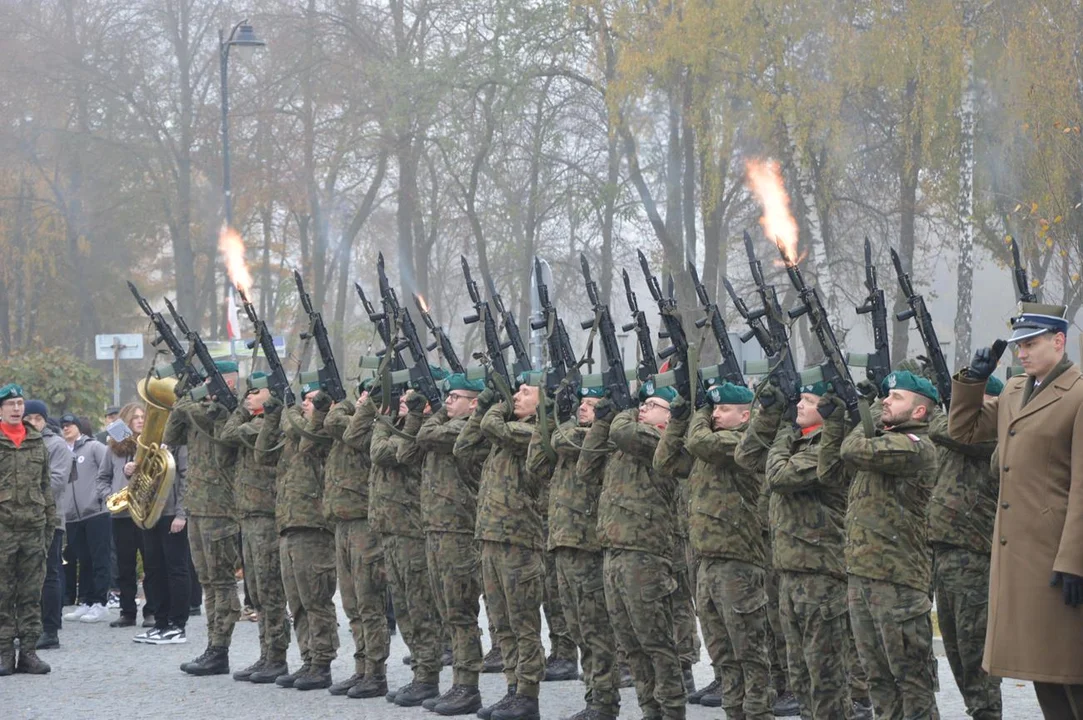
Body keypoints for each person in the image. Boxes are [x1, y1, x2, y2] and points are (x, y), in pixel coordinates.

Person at [949, 303, 1083, 718]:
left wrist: (1075, 560)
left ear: (1059, 342)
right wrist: (974, 380)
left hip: (1058, 554)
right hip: (1020, 556)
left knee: (1071, 671)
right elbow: (964, 430)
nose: (1020, 353)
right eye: (1017, 345)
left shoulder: (1077, 393)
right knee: (1042, 669)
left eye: (1030, 343)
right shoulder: (1013, 391)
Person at [736, 380, 858, 719]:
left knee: (826, 677)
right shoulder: (797, 440)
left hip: (821, 574)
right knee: (800, 673)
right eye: (799, 400)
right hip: (790, 570)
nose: (800, 406)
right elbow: (745, 455)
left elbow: (778, 475)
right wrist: (770, 415)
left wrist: (784, 430)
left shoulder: (829, 445)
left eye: (808, 400)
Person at [662, 382, 772, 720]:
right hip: (707, 561)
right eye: (714, 408)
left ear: (746, 415)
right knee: (723, 655)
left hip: (738, 563)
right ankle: (735, 712)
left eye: (722, 409)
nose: (715, 414)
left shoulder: (741, 442)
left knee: (749, 654)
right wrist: (679, 419)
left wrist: (698, 412)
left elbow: (699, 442)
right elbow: (665, 459)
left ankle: (757, 713)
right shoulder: (708, 446)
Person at [584, 384, 689, 720]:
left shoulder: (662, 442)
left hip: (645, 556)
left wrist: (624, 409)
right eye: (641, 404)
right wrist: (601, 422)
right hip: (614, 553)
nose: (643, 409)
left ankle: (672, 711)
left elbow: (624, 430)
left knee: (655, 643)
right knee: (630, 645)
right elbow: (585, 468)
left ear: (670, 416)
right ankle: (650, 711)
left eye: (652, 405)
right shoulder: (624, 444)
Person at [840, 370, 940, 720]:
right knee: (878, 679)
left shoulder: (914, 446)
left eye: (896, 397)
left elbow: (853, 448)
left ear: (919, 412)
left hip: (898, 583)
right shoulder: (886, 438)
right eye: (886, 395)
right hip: (864, 577)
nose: (886, 399)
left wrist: (862, 408)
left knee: (912, 683)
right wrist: (865, 411)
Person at [527, 386, 620, 720]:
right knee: (579, 629)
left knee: (597, 630)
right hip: (564, 542)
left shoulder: (602, 439)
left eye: (591, 405)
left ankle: (604, 701)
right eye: (580, 403)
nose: (582, 408)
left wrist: (562, 421)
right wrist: (545, 418)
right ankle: (594, 696)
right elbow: (536, 463)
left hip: (589, 546)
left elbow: (570, 443)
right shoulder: (571, 437)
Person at [927, 375, 1004, 720]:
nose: (971, 411)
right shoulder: (959, 432)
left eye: (981, 402)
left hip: (975, 553)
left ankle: (987, 712)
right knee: (956, 649)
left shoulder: (993, 434)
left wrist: (951, 407)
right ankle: (978, 708)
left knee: (975, 650)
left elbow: (948, 429)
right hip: (944, 550)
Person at [256, 379, 337, 691]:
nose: (307, 403)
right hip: (289, 524)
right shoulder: (295, 432)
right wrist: (273, 417)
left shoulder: (320, 429)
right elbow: (262, 454)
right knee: (298, 601)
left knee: (316, 598)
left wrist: (307, 412)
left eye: (313, 399)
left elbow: (310, 437)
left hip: (314, 526)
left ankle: (322, 661)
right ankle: (307, 658)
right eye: (304, 399)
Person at [415, 373, 489, 715]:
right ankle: (454, 683)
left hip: (459, 531)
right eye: (446, 397)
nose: (447, 402)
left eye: (455, 397)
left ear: (474, 403)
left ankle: (467, 686)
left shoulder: (469, 429)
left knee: (461, 613)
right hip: (436, 529)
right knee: (447, 611)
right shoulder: (448, 424)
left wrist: (439, 415)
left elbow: (426, 433)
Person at [162, 361, 242, 676]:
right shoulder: (199, 409)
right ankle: (212, 646)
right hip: (197, 505)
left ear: (229, 382)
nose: (206, 384)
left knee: (222, 582)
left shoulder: (230, 411)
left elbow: (220, 435)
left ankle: (220, 647)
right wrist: (182, 402)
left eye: (213, 379)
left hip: (221, 508)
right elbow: (171, 435)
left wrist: (190, 402)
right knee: (207, 581)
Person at [473, 380, 546, 720]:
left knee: (523, 623)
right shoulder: (505, 434)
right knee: (501, 622)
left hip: (520, 541)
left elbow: (489, 423)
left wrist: (498, 402)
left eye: (524, 393)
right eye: (514, 392)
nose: (516, 397)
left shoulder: (534, 433)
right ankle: (512, 688)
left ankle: (528, 695)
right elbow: (463, 447)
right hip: (492, 538)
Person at [370, 386, 442, 707]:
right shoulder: (404, 426)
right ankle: (419, 671)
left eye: (413, 397)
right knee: (402, 608)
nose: (403, 401)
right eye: (403, 396)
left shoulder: (427, 429)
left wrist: (413, 416)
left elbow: (390, 453)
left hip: (413, 531)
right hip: (391, 529)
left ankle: (428, 677)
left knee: (420, 607)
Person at [218, 373, 289, 684]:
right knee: (257, 592)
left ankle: (277, 657)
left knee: (271, 591)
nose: (248, 396)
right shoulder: (256, 419)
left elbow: (230, 433)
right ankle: (266, 654)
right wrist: (246, 408)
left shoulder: (267, 424)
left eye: (255, 392)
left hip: (267, 516)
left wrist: (245, 413)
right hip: (249, 515)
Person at [334, 377, 392, 699]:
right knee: (352, 603)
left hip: (364, 524)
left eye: (371, 394)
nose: (363, 399)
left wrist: (367, 407)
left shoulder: (378, 424)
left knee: (369, 602)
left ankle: (376, 672)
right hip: (344, 522)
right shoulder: (361, 418)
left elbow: (352, 434)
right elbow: (335, 422)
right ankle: (361, 669)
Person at [0, 384, 58, 675]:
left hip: (34, 528)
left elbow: (45, 486)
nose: (16, 409)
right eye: (10, 404)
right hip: (3, 530)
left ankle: (29, 653)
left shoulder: (37, 442)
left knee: (31, 593)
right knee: (2, 593)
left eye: (20, 403)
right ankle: (4, 654)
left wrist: (51, 524)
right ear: (1, 410)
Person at [96, 403, 155, 629]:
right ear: (126, 421)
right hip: (122, 514)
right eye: (135, 417)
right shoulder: (113, 448)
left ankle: (152, 611)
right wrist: (110, 496)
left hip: (146, 512)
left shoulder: (152, 445)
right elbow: (102, 479)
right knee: (125, 566)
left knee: (151, 564)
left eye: (143, 417)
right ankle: (127, 612)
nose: (140, 420)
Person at [23, 400, 71, 650]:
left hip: (49, 518)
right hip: (20, 521)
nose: (32, 422)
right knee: (25, 576)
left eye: (37, 418)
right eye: (27, 418)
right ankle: (29, 628)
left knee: (49, 573)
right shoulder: (19, 444)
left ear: (44, 420)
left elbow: (57, 481)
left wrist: (24, 497)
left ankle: (50, 630)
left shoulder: (56, 445)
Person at [135, 443, 191, 646]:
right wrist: (131, 471)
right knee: (154, 570)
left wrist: (181, 514)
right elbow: (144, 479)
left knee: (176, 570)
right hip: (151, 514)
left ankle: (177, 625)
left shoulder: (181, 445)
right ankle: (160, 623)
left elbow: (187, 478)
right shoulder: (148, 444)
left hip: (171, 515)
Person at [59, 412, 111, 625]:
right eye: (63, 425)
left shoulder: (93, 447)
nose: (66, 428)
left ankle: (101, 602)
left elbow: (108, 470)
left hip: (96, 511)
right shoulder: (62, 451)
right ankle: (87, 601)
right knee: (83, 559)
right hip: (72, 515)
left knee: (100, 558)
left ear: (79, 427)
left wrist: (102, 495)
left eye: (70, 425)